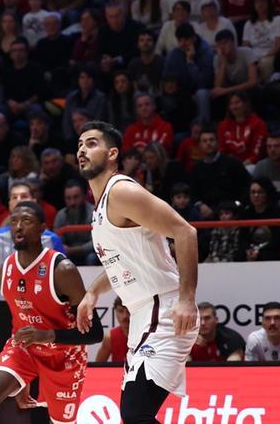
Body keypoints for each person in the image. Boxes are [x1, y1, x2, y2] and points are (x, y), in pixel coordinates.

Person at [77, 121, 199, 423]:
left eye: (91, 143)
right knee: (135, 414)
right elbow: (120, 265)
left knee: (135, 413)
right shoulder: (102, 205)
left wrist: (186, 299)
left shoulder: (121, 192)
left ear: (112, 154)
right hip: (144, 315)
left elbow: (186, 233)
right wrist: (92, 292)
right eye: (79, 144)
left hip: (165, 309)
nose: (82, 150)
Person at [0, 201, 101, 424]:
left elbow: (95, 334)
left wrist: (47, 336)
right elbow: (20, 318)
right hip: (24, 349)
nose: (18, 226)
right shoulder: (5, 268)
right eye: (14, 221)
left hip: (64, 355)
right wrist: (22, 378)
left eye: (26, 221)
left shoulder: (62, 270)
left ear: (41, 229)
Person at [0, 182, 64, 393]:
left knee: (41, 378)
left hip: (40, 313)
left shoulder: (52, 240)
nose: (19, 200)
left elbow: (63, 284)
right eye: (14, 197)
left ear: (34, 201)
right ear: (9, 204)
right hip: (3, 311)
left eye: (24, 195)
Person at [95, 298, 130, 363]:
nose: (125, 316)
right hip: (118, 373)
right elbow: (98, 366)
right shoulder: (110, 337)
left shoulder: (145, 334)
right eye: (121, 311)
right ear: (115, 311)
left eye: (129, 311)